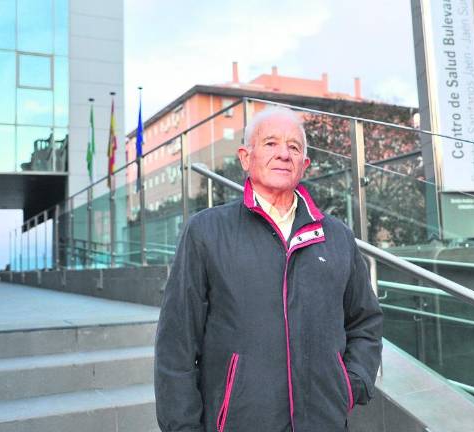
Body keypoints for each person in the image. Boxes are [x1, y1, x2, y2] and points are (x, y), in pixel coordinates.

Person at [154, 106, 383, 432]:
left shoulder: (337, 236)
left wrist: (349, 384)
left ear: (305, 164)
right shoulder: (206, 231)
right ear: (246, 158)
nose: (283, 154)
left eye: (294, 146)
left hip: (324, 421)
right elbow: (176, 345)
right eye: (271, 143)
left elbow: (365, 321)